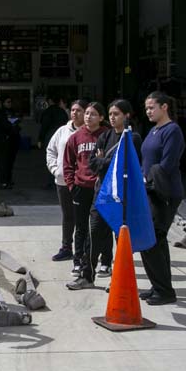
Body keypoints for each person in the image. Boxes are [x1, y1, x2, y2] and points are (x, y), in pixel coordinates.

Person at [139, 92, 185, 305]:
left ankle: (165, 291)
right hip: (150, 191)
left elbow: (167, 164)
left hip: (164, 193)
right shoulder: (153, 130)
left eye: (151, 107)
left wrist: (148, 179)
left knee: (152, 241)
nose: (148, 111)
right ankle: (159, 285)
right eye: (146, 108)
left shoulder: (172, 130)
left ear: (164, 107)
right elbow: (146, 160)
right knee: (157, 241)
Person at [87, 99, 140, 279]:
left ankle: (119, 278)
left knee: (121, 238)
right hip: (101, 194)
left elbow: (121, 165)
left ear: (127, 115)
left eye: (116, 114)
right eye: (110, 114)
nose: (112, 117)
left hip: (121, 197)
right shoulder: (104, 136)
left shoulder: (132, 138)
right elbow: (92, 163)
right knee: (93, 233)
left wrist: (103, 161)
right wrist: (103, 162)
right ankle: (87, 275)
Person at [62, 102, 107, 290]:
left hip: (100, 189)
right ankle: (78, 260)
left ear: (101, 118)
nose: (88, 117)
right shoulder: (76, 137)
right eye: (87, 113)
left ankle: (105, 260)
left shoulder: (106, 135)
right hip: (81, 187)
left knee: (100, 228)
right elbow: (68, 162)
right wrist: (71, 184)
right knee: (80, 226)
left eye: (93, 114)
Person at [45, 99, 86, 262]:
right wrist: (56, 170)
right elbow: (51, 151)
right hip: (63, 181)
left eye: (79, 110)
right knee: (68, 216)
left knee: (84, 217)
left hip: (84, 183)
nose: (75, 113)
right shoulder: (62, 131)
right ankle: (66, 247)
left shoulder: (90, 133)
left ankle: (83, 250)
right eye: (73, 110)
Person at [2, 96, 22, 188]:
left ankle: (9, 179)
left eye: (10, 102)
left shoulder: (13, 111)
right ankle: (6, 180)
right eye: (8, 102)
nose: (10, 104)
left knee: (11, 161)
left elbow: (18, 119)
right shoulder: (2, 112)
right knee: (6, 161)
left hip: (14, 137)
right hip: (7, 138)